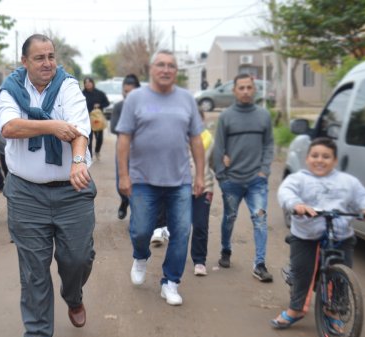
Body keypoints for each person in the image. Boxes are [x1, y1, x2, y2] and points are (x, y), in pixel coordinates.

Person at [0, 34, 96, 337]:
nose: (47, 63)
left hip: (72, 191)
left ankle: (74, 294)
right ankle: (37, 333)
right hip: (26, 193)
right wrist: (52, 126)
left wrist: (79, 163)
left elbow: (80, 130)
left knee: (77, 258)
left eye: (51, 56)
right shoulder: (11, 89)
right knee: (34, 268)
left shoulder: (68, 87)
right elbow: (9, 128)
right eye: (39, 58)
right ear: (24, 62)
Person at [116, 49, 205, 306]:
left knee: (180, 232)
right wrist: (123, 175)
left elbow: (196, 139)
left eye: (171, 66)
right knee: (142, 229)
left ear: (176, 72)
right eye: (161, 65)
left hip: (179, 180)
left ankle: (170, 282)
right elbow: (124, 138)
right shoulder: (136, 98)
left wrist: (200, 175)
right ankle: (140, 256)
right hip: (143, 179)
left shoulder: (187, 99)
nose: (166, 70)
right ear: (151, 69)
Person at [272, 138, 365, 328]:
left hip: (340, 237)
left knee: (341, 279)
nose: (320, 160)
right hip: (305, 236)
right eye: (315, 156)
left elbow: (364, 198)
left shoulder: (348, 182)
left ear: (335, 161)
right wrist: (297, 205)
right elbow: (286, 193)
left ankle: (333, 311)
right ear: (307, 159)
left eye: (326, 157)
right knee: (302, 273)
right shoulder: (298, 179)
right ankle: (295, 310)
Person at [212, 73, 274, 282]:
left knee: (260, 220)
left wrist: (264, 170)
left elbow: (268, 145)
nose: (246, 91)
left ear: (254, 89)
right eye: (241, 88)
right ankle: (226, 250)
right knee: (229, 218)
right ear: (234, 90)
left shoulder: (263, 116)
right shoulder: (226, 117)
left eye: (249, 87)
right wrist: (222, 177)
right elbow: (219, 148)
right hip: (232, 180)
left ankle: (260, 264)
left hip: (257, 180)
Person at [110, 74, 140, 220]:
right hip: (123, 149)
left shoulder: (145, 106)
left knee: (138, 182)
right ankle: (124, 201)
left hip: (141, 151)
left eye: (130, 91)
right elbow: (114, 128)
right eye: (125, 91)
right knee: (121, 182)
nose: (127, 94)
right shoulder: (118, 107)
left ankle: (136, 213)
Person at [190, 110, 215, 276]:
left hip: (204, 186)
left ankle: (199, 260)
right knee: (180, 227)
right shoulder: (178, 136)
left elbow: (215, 162)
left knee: (200, 224)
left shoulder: (209, 138)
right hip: (180, 187)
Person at [82, 77, 110, 160]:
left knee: (99, 138)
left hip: (97, 119)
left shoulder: (99, 93)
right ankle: (89, 156)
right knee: (89, 138)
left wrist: (99, 105)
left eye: (89, 82)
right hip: (86, 119)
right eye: (86, 83)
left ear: (93, 83)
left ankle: (97, 151)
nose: (88, 84)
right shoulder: (81, 94)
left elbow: (107, 103)